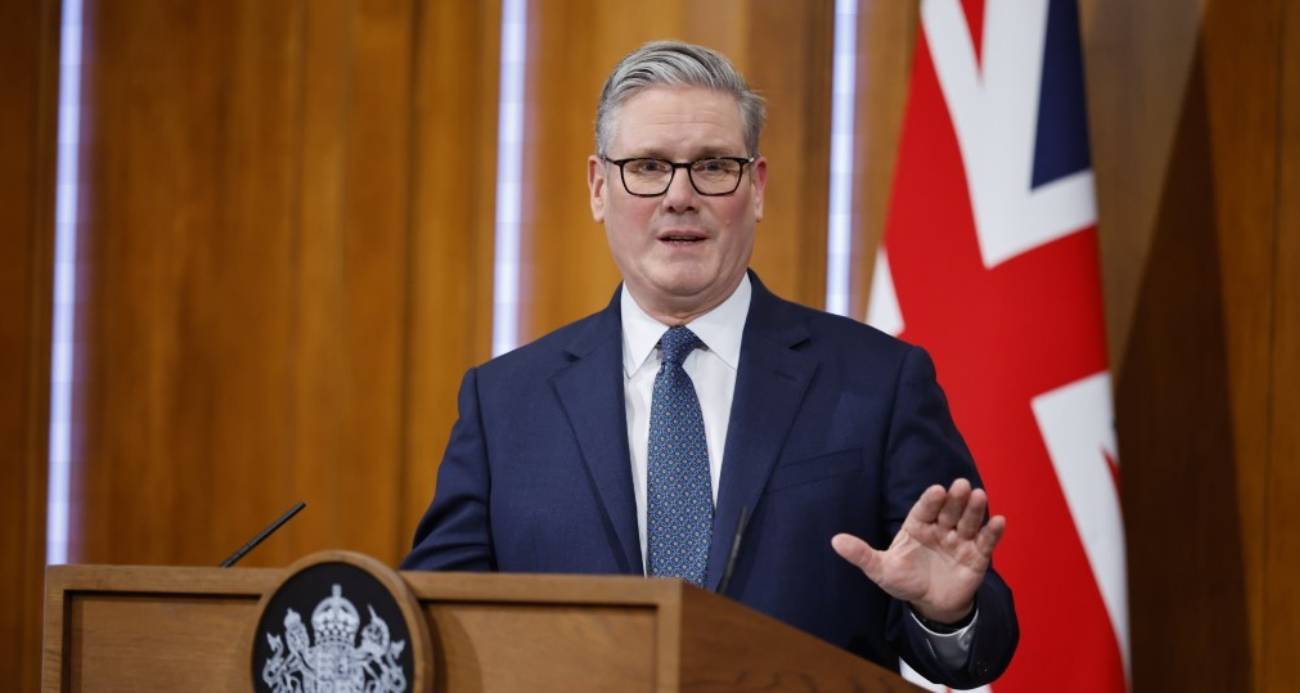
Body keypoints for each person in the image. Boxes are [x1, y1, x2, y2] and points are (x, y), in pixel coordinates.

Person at [402, 40, 1018, 687]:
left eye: (714, 166)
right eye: (647, 166)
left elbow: (980, 638)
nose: (680, 196)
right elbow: (432, 625)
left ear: (756, 187)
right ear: (599, 188)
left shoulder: (878, 384)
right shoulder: (504, 405)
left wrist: (946, 613)